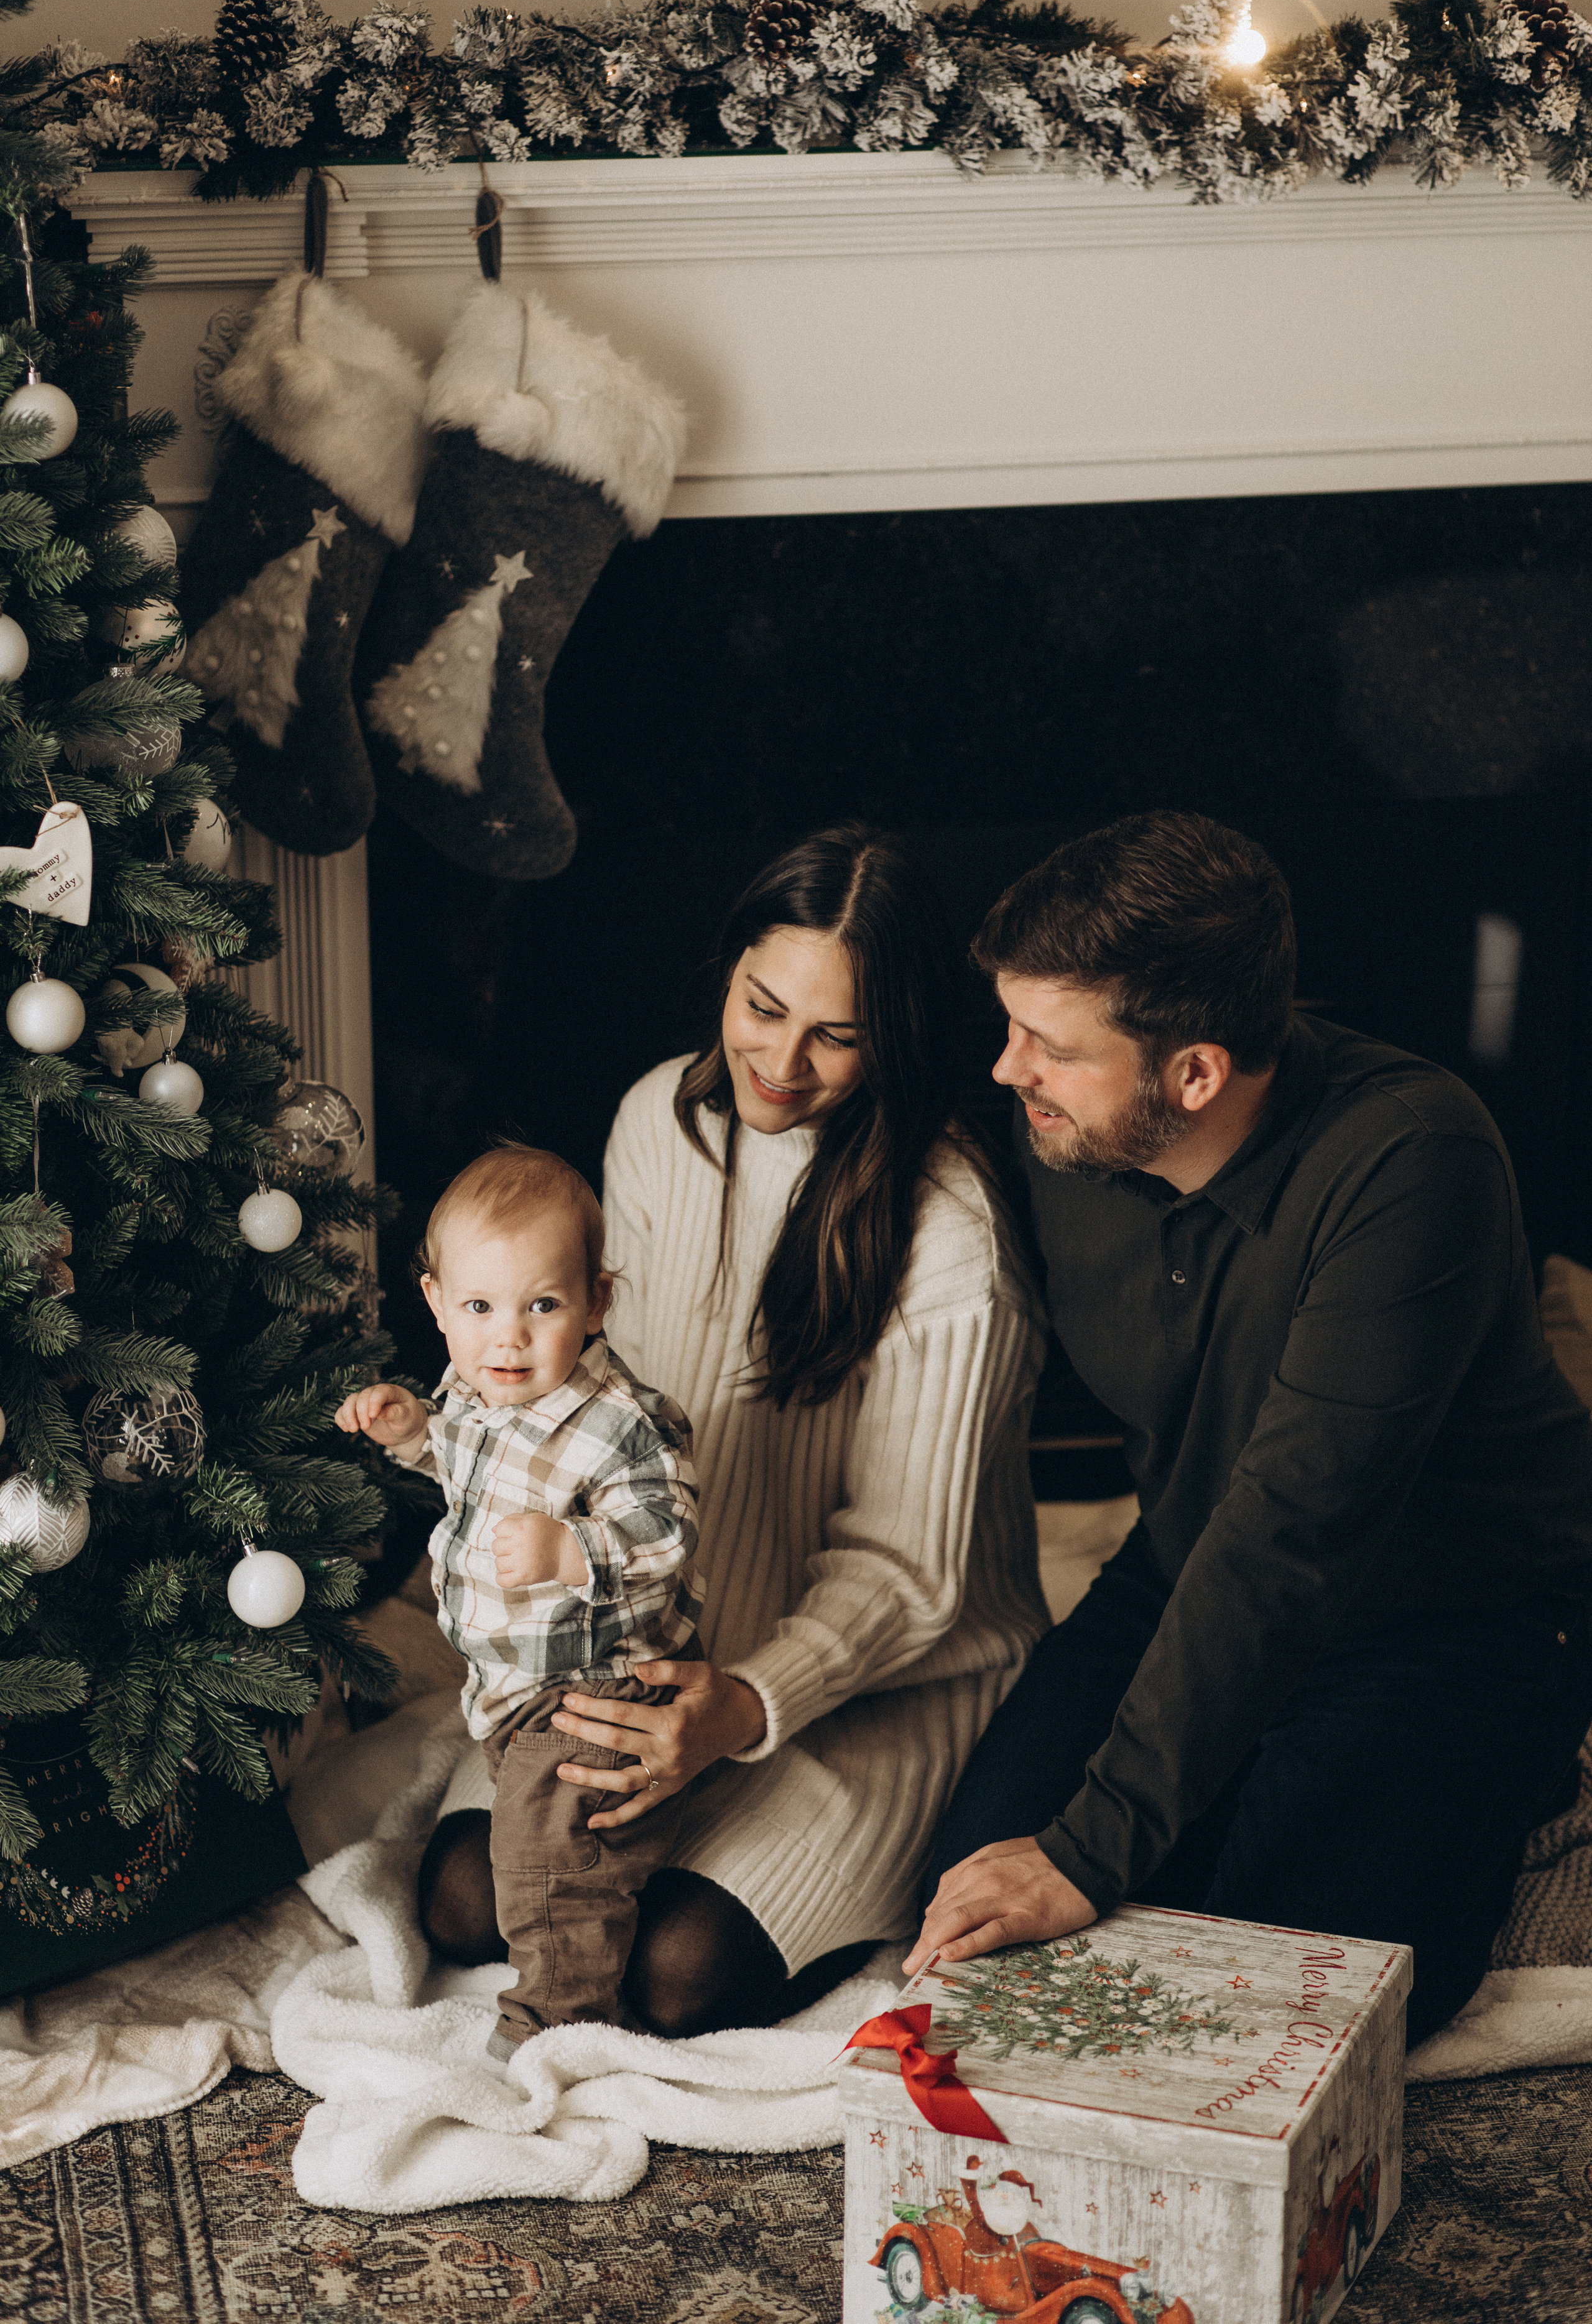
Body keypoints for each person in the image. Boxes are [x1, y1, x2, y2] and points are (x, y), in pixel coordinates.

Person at [913, 811, 1592, 2045]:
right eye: (1009, 1027)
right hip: (1177, 1566)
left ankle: (1518, 1766)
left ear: (1194, 1074)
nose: (1009, 1070)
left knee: (1289, 1994)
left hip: (1444, 1612)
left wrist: (1096, 1845)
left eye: (1047, 1046)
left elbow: (1292, 1529)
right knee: (973, 1904)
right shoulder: (1062, 1133)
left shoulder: (1411, 1159)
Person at [417, 823, 1050, 2033]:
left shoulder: (951, 1234)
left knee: (675, 1974)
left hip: (867, 1678)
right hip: (648, 1626)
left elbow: (910, 1575)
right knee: (459, 1902)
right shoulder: (659, 1118)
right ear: (726, 975)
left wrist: (740, 1705)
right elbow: (587, 1405)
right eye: (762, 1007)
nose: (781, 1062)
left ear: (896, 1036)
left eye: (836, 1035)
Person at [336, 1145, 701, 2056]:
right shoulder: (477, 1388)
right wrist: (415, 1434)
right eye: (480, 1308)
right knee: (543, 1846)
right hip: (509, 1683)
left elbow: (669, 1534)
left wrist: (573, 1549)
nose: (510, 1336)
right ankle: (612, 1896)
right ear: (436, 1304)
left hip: (595, 1685)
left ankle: (561, 2027)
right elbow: (465, 1462)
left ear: (598, 1302)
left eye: (543, 1306)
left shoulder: (622, 1423)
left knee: (548, 1866)